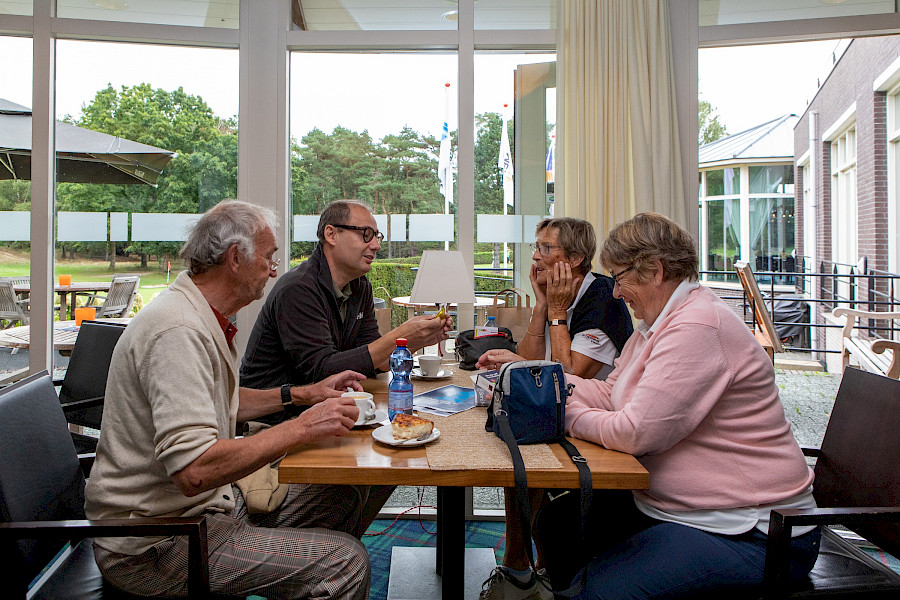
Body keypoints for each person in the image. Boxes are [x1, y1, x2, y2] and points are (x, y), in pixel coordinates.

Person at [84, 200, 374, 599]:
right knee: (345, 563)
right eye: (269, 258)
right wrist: (303, 426)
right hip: (156, 544)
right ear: (236, 258)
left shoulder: (199, 314)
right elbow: (195, 471)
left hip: (204, 511)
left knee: (341, 493)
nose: (274, 271)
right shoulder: (178, 331)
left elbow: (224, 401)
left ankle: (294, 575)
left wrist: (302, 394)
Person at [536, 212, 820, 599]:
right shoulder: (657, 324)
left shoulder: (697, 325)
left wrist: (564, 412)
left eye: (619, 278)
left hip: (752, 528)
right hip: (688, 509)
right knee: (557, 523)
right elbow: (610, 394)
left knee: (602, 591)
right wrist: (538, 385)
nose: (616, 293)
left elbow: (634, 432)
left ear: (655, 271)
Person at [475, 217, 633, 600]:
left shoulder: (602, 297)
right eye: (536, 246)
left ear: (575, 258)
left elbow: (569, 376)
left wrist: (557, 311)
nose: (535, 256)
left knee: (522, 452)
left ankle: (527, 572)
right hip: (568, 417)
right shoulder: (560, 294)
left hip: (604, 428)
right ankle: (526, 569)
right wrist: (542, 305)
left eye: (546, 248)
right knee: (516, 444)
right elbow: (532, 360)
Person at [240, 200, 452, 406]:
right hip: (271, 417)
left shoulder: (360, 286)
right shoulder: (298, 289)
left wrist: (414, 341)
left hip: (323, 409)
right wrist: (399, 336)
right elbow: (321, 372)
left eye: (377, 236)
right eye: (366, 234)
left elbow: (371, 360)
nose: (376, 245)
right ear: (331, 234)